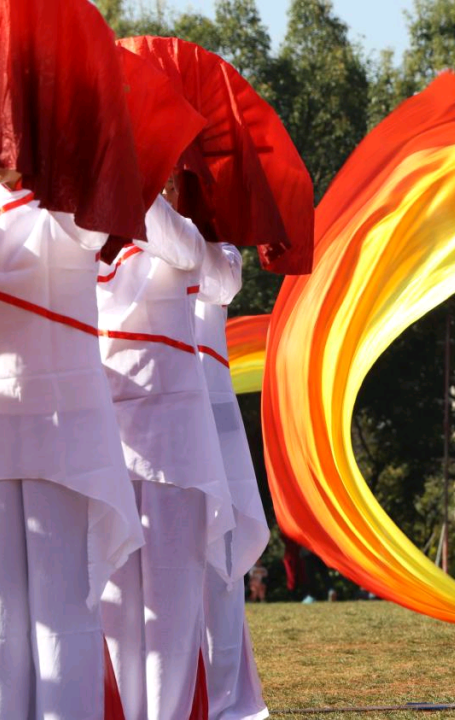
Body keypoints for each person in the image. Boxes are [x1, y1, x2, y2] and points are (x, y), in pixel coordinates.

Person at [0, 170, 144, 718]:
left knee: (40, 616)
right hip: (53, 433)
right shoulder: (72, 205)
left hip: (61, 438)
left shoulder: (70, 206)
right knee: (39, 618)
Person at [98, 191, 236, 720]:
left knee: (174, 607)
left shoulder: (182, 235)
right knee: (115, 607)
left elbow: (216, 277)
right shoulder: (75, 225)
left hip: (173, 446)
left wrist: (133, 172)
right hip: (103, 439)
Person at [194, 233, 270, 720]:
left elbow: (221, 284)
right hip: (138, 417)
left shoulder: (214, 247)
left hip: (209, 419)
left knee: (219, 564)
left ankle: (222, 697)